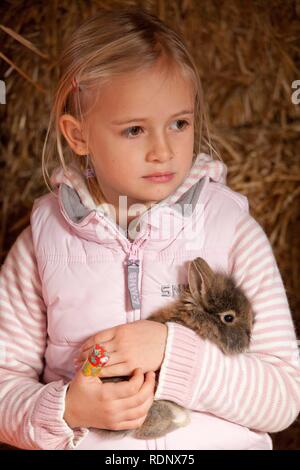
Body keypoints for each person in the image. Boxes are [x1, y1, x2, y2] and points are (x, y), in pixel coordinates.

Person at [0, 7, 299, 451]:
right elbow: (5, 386)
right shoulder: (42, 244)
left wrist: (171, 352)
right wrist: (67, 409)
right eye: (135, 129)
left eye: (179, 123)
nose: (163, 150)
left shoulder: (234, 231)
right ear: (78, 135)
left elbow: (285, 395)